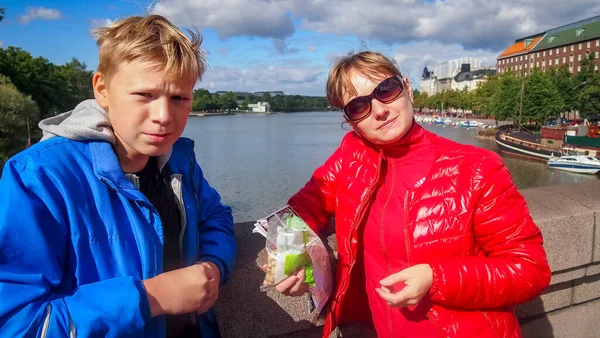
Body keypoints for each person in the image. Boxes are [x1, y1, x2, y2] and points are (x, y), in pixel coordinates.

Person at [276, 51, 551, 337]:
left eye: (386, 90)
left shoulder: (477, 168)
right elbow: (303, 207)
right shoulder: (351, 157)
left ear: (407, 88)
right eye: (359, 106)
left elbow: (529, 269)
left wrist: (437, 278)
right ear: (351, 121)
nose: (380, 110)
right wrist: (296, 255)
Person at [0, 14, 236, 337]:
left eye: (179, 98)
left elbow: (216, 218)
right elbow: (18, 323)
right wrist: (152, 298)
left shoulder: (180, 162)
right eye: (144, 95)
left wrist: (213, 266)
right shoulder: (39, 179)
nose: (164, 117)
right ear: (102, 89)